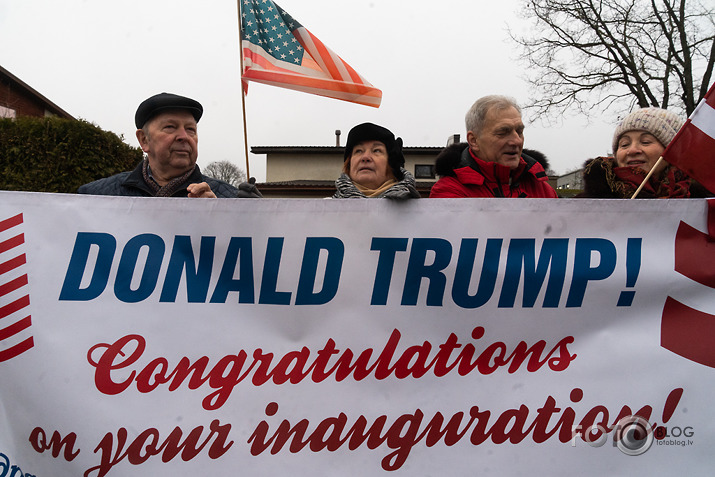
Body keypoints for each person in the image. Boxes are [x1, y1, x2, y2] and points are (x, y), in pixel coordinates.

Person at [78, 92, 261, 198]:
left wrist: (254, 219)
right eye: (170, 127)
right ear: (144, 140)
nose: (184, 137)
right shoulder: (94, 198)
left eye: (190, 129)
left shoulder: (228, 199)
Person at [429, 95, 557, 198]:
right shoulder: (449, 193)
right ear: (473, 141)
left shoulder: (543, 189)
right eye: (503, 133)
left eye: (519, 132)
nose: (516, 141)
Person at [578, 107, 712, 198]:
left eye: (645, 142)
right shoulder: (580, 209)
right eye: (624, 144)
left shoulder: (704, 206)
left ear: (672, 151)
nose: (632, 150)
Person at [333, 122, 420, 199]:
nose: (365, 157)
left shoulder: (421, 212)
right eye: (358, 151)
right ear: (349, 164)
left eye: (376, 150)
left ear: (391, 164)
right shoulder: (323, 211)